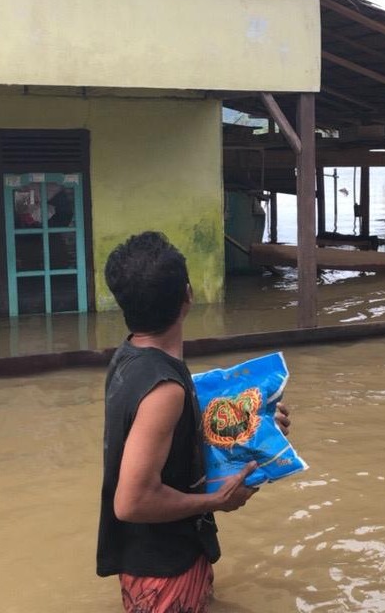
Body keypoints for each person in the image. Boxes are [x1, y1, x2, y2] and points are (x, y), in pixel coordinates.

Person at [96, 231, 289, 613]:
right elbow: (131, 502)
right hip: (164, 570)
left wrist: (254, 423)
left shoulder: (130, 356)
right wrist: (217, 500)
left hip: (154, 556)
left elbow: (167, 437)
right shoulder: (165, 389)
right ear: (188, 295)